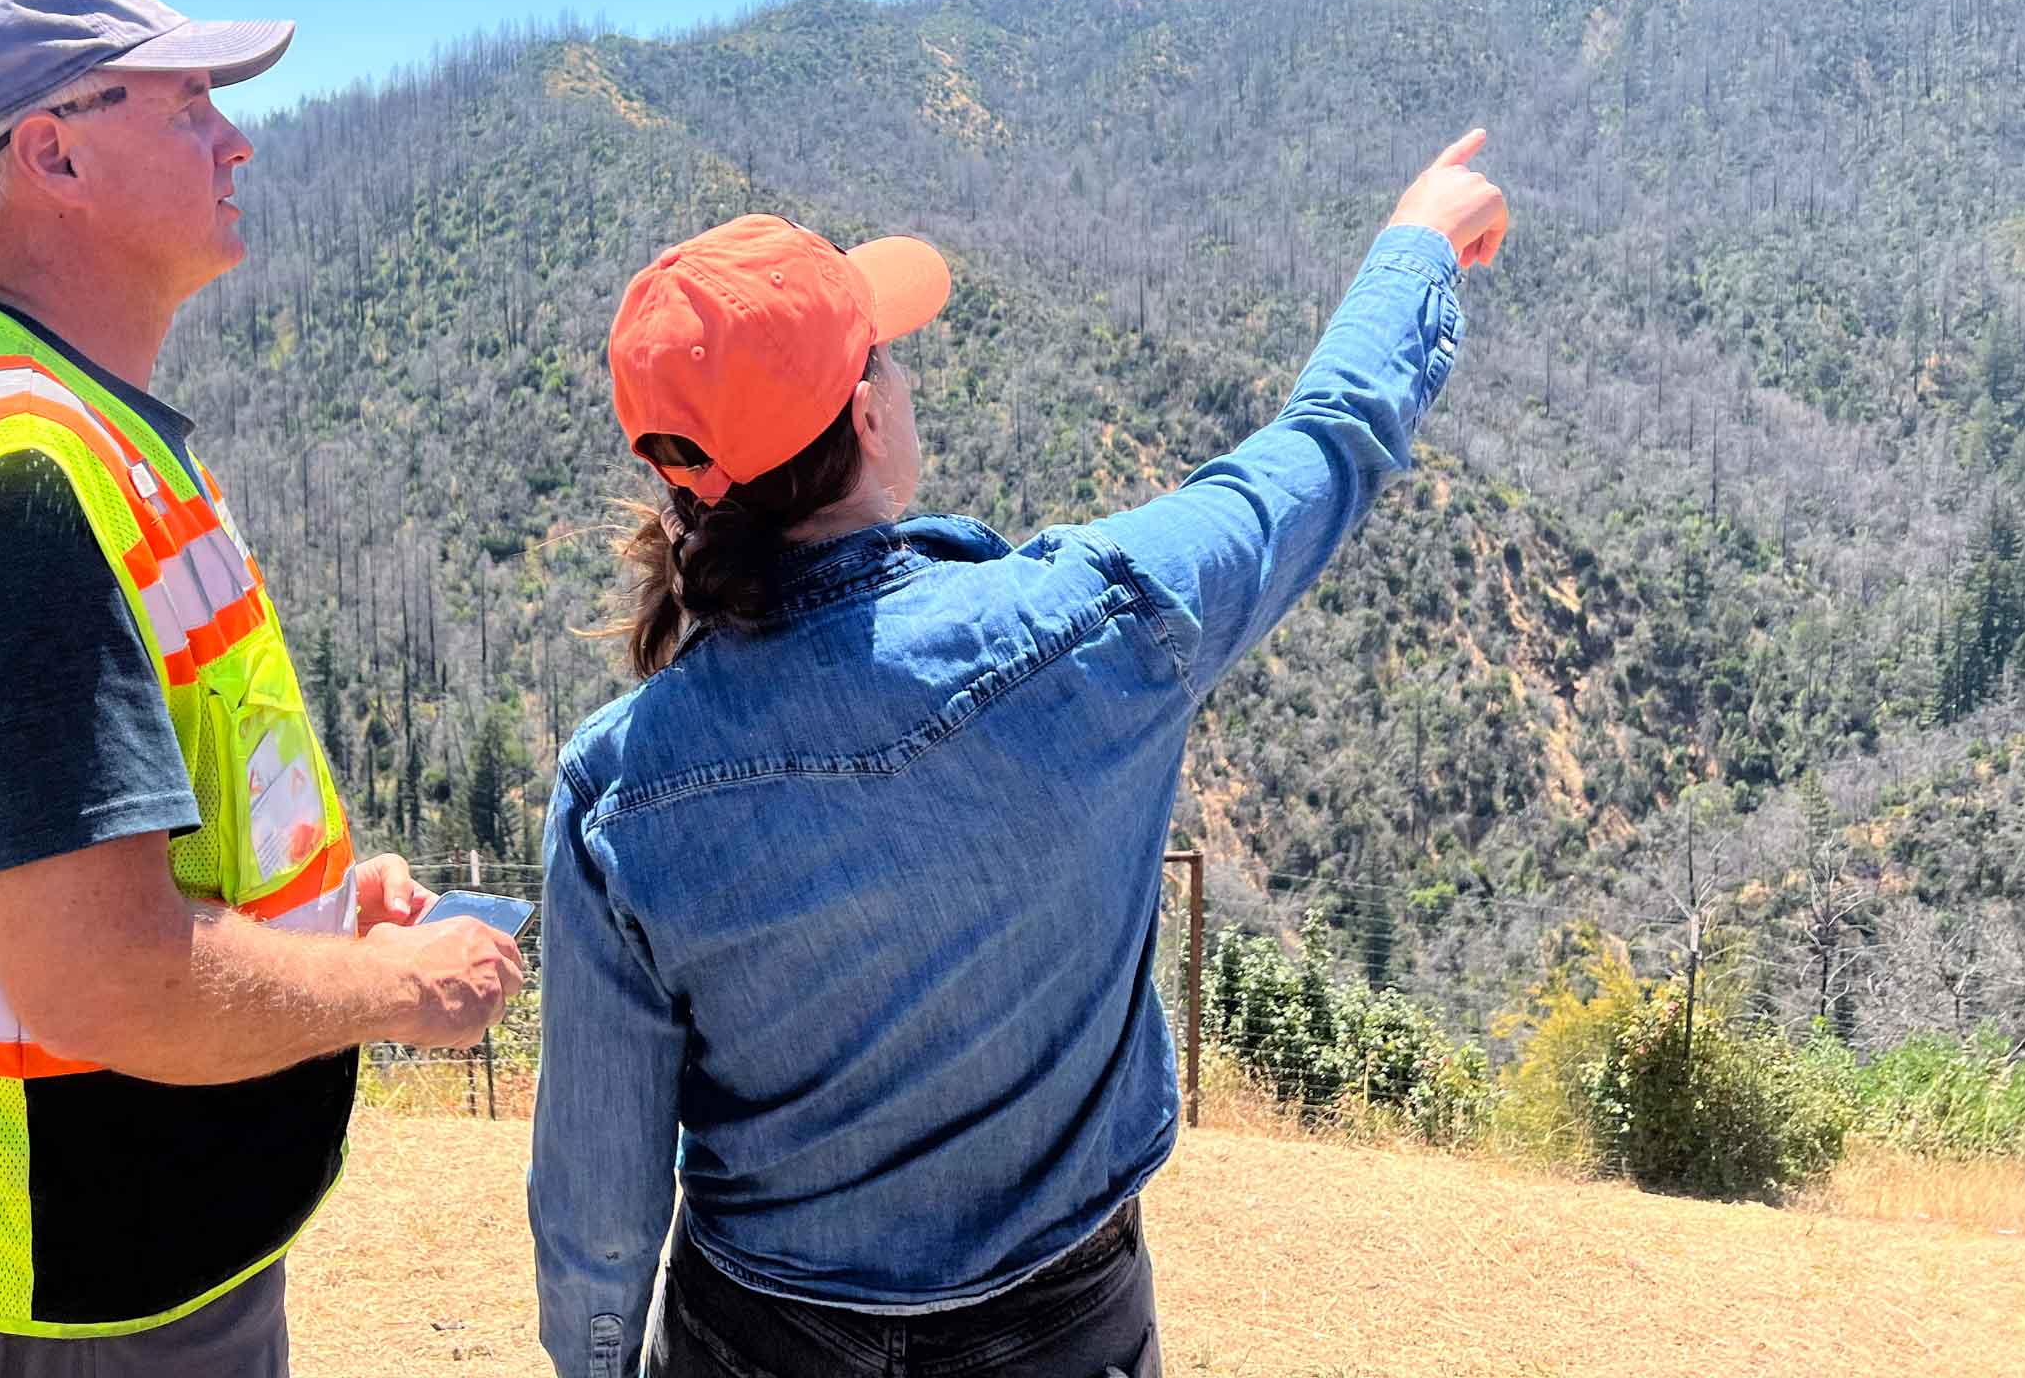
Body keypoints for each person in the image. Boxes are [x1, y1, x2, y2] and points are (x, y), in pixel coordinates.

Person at [530, 134, 1509, 1377]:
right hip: (1063, 1332)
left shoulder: (619, 788)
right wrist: (1415, 246)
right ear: (869, 412)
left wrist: (600, 1362)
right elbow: (1324, 444)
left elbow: (597, 1211)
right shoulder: (1101, 628)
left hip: (753, 1339)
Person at [0, 0, 523, 1376]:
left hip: (112, 1239)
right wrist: (399, 990)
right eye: (190, 111)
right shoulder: (13, 488)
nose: (238, 142)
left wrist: (318, 911)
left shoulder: (72, 428)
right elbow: (104, 979)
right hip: (58, 1263)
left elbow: (134, 835)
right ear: (51, 151)